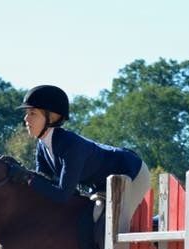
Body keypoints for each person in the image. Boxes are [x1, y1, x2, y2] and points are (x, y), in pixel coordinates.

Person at [11, 85, 151, 236]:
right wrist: (22, 177)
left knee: (105, 225)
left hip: (131, 174)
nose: (26, 119)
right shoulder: (42, 145)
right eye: (26, 113)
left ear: (52, 117)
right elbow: (44, 181)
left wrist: (28, 178)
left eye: (32, 113)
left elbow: (62, 195)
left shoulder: (71, 145)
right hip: (102, 184)